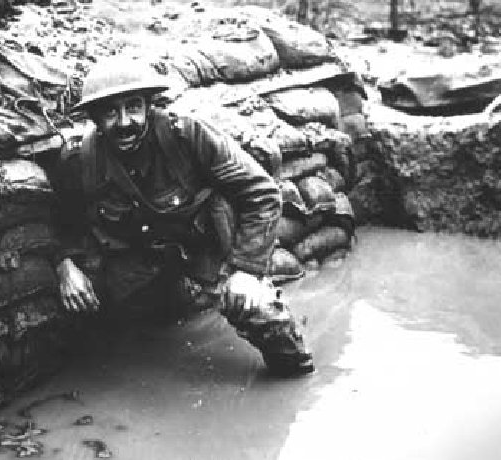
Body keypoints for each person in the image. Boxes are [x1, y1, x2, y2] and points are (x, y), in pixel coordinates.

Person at [47, 57, 314, 376]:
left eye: (133, 107)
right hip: (140, 260)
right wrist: (65, 265)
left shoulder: (187, 135)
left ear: (149, 106)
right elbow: (62, 219)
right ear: (94, 118)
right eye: (110, 112)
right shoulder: (81, 160)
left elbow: (262, 192)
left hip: (207, 249)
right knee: (79, 306)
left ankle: (291, 367)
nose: (124, 122)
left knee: (254, 305)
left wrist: (246, 270)